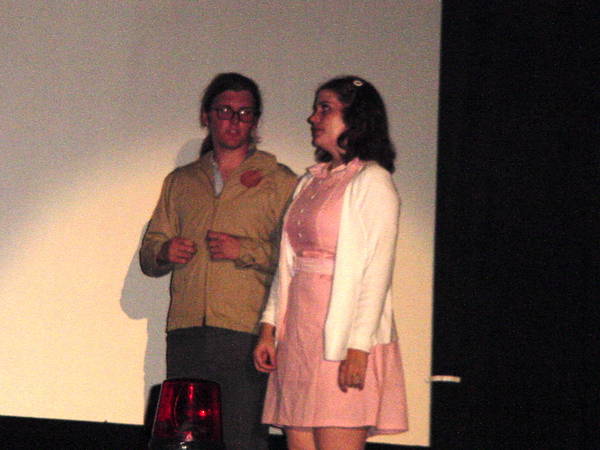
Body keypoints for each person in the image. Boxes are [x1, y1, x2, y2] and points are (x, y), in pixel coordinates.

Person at [140, 72, 297, 450]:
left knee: (242, 439)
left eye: (245, 113)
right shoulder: (181, 181)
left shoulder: (279, 181)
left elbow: (297, 258)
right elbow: (150, 252)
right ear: (206, 116)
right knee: (185, 440)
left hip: (247, 332)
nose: (235, 120)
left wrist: (244, 250)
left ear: (255, 121)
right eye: (225, 110)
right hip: (187, 332)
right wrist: (164, 252)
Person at [253, 76, 408, 449]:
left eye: (325, 109)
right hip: (300, 337)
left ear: (356, 118)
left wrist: (358, 346)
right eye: (316, 108)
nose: (313, 118)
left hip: (342, 339)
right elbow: (287, 265)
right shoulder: (311, 182)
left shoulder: (372, 181)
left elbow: (377, 273)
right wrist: (269, 328)